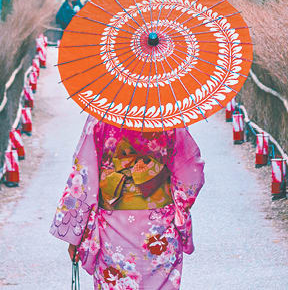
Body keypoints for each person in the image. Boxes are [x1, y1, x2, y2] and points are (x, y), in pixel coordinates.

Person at [50, 119, 205, 289]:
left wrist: (76, 237)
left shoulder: (100, 117)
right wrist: (179, 209)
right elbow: (191, 175)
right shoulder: (169, 119)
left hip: (112, 228)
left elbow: (84, 175)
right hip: (160, 226)